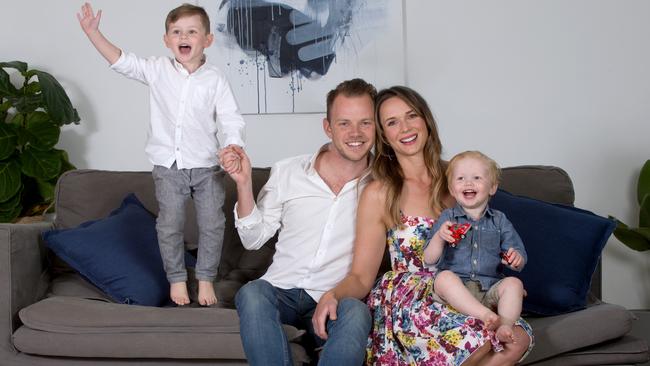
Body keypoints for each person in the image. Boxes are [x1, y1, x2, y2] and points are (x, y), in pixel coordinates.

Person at [313, 86, 534, 365]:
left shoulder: (461, 176)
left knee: (517, 338)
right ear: (384, 136)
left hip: (465, 290)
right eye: (392, 122)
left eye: (411, 116)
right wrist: (332, 295)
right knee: (478, 343)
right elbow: (360, 276)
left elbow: (489, 235)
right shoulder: (380, 192)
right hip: (412, 299)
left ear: (426, 120)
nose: (405, 128)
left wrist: (502, 278)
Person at [77, 3, 244, 306]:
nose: (184, 37)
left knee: (213, 223)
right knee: (170, 223)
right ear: (167, 40)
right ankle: (177, 280)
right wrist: (94, 33)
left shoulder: (215, 79)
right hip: (168, 165)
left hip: (206, 166)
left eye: (192, 32)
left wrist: (233, 146)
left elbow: (231, 118)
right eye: (176, 32)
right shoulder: (157, 70)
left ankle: (205, 279)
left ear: (207, 40)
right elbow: (122, 61)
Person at [219, 79, 377, 365]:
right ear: (328, 127)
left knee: (357, 312)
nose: (355, 133)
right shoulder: (288, 171)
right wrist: (243, 184)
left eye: (365, 122)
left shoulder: (383, 186)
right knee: (252, 293)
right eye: (344, 123)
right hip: (280, 291)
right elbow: (253, 239)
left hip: (334, 299)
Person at [424, 150, 528, 345]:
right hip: (456, 294)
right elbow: (429, 258)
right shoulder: (448, 218)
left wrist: (515, 258)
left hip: (489, 290)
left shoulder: (500, 221)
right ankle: (486, 315)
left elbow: (518, 256)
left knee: (515, 283)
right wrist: (440, 237)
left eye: (477, 178)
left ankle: (505, 325)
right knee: (443, 278)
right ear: (452, 189)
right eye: (461, 178)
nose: (468, 183)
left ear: (492, 187)